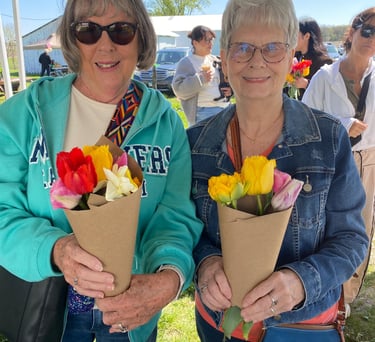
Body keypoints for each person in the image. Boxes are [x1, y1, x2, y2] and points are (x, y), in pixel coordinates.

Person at [0, 1, 203, 341]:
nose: (105, 45)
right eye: (88, 30)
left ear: (141, 40)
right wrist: (55, 249)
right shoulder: (22, 116)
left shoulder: (165, 123)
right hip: (49, 309)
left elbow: (175, 218)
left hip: (130, 311)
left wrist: (168, 278)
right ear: (73, 38)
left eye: (121, 31)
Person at [187, 0, 368, 341]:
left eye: (272, 48)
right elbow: (185, 229)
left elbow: (351, 239)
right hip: (218, 326)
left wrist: (301, 281)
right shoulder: (195, 144)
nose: (257, 60)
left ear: (289, 58)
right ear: (224, 59)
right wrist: (206, 264)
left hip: (299, 328)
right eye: (242, 48)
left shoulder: (328, 138)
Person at [302, 7, 375, 308]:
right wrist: (342, 126)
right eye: (367, 30)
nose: (371, 39)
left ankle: (346, 301)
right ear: (353, 32)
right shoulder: (324, 78)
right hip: (333, 163)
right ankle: (326, 295)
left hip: (370, 161)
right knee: (330, 229)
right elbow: (305, 124)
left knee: (362, 231)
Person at [172, 25, 232, 126]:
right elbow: (178, 90)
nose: (211, 44)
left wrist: (230, 91)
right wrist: (200, 79)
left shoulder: (215, 60)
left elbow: (228, 80)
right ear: (195, 43)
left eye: (211, 40)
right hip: (204, 112)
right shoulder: (186, 63)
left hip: (225, 108)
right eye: (207, 40)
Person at [285, 17, 332, 100]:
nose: (291, 40)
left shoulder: (324, 62)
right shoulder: (293, 57)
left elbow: (329, 93)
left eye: (295, 35)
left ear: (306, 36)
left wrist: (307, 84)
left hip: (313, 111)